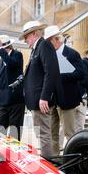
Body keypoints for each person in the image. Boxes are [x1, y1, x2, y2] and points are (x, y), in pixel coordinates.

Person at [44, 25, 86, 154]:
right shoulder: (48, 55)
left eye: (49, 41)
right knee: (53, 133)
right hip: (53, 100)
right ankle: (55, 159)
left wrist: (59, 76)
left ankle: (74, 159)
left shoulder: (72, 54)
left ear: (57, 39)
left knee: (70, 132)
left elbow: (80, 74)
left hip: (67, 99)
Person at [20, 21, 58, 159]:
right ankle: (48, 161)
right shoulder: (36, 49)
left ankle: (48, 165)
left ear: (35, 34)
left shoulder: (44, 46)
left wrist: (44, 97)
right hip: (36, 101)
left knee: (43, 134)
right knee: (41, 134)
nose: (25, 40)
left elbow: (51, 72)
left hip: (41, 101)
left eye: (26, 37)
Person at [0, 35, 25, 140]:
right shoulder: (3, 59)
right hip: (4, 101)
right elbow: (2, 78)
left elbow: (12, 64)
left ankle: (14, 155)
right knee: (0, 131)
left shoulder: (17, 55)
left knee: (14, 133)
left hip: (16, 101)